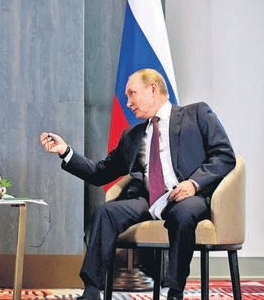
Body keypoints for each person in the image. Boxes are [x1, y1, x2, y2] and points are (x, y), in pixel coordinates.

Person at [39, 68, 235, 300]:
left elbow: (224, 155)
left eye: (132, 94)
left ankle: (174, 291)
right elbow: (100, 173)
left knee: (182, 214)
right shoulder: (132, 135)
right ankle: (91, 290)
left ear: (152, 89)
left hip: (188, 196)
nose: (128, 102)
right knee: (105, 212)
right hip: (147, 200)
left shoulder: (197, 114)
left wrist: (193, 183)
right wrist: (65, 151)